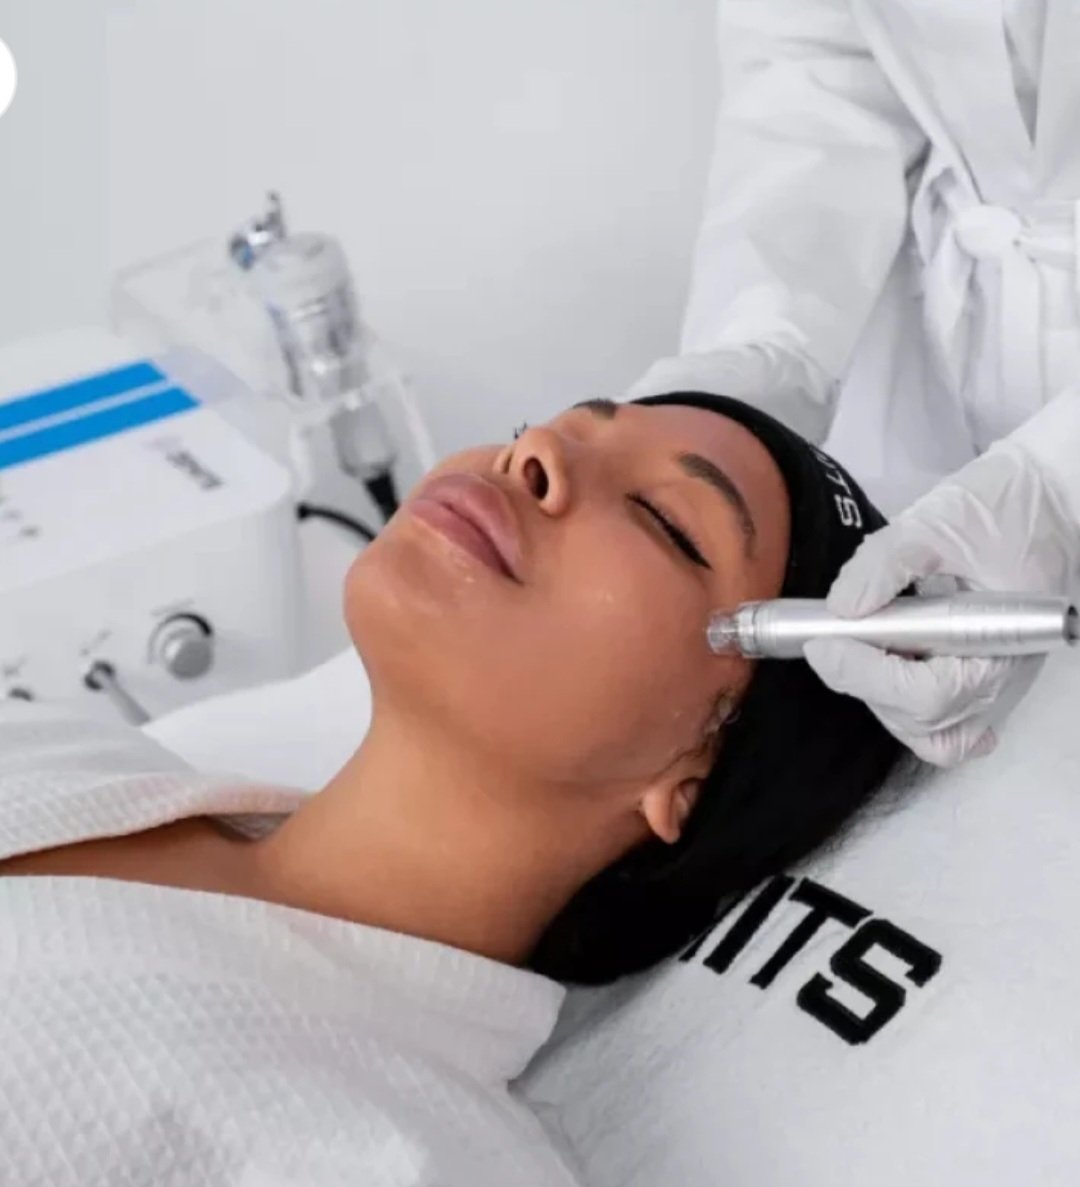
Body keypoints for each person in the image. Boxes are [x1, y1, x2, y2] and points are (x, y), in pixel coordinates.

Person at [0, 392, 910, 1183]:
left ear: (694, 783)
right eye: (545, 426)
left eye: (665, 522)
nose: (535, 453)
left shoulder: (406, 1154)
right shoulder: (58, 746)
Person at [629, 0, 1080, 767]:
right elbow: (815, 64)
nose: (535, 456)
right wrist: (762, 343)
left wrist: (1058, 483)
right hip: (947, 340)